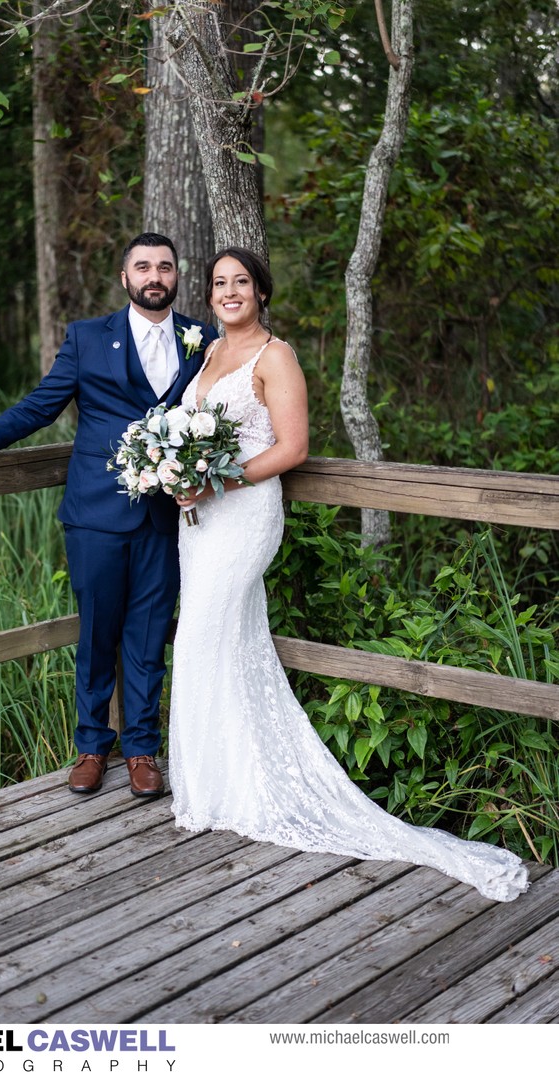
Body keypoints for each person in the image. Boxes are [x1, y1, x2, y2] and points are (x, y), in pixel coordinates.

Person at [168, 246, 529, 903]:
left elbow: (292, 447)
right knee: (221, 645)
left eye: (240, 282)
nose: (228, 292)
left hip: (244, 514)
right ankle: (218, 785)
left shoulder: (274, 356)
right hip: (200, 522)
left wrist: (215, 477)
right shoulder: (208, 354)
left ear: (261, 291)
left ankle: (234, 790)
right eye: (219, 283)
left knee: (200, 640)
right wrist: (180, 474)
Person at [0, 233, 216, 800]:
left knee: (148, 638)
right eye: (143, 266)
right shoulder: (87, 338)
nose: (155, 275)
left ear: (177, 277)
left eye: (165, 267)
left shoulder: (203, 338)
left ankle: (143, 749)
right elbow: (39, 406)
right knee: (97, 633)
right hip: (97, 513)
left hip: (168, 516)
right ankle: (92, 747)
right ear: (124, 278)